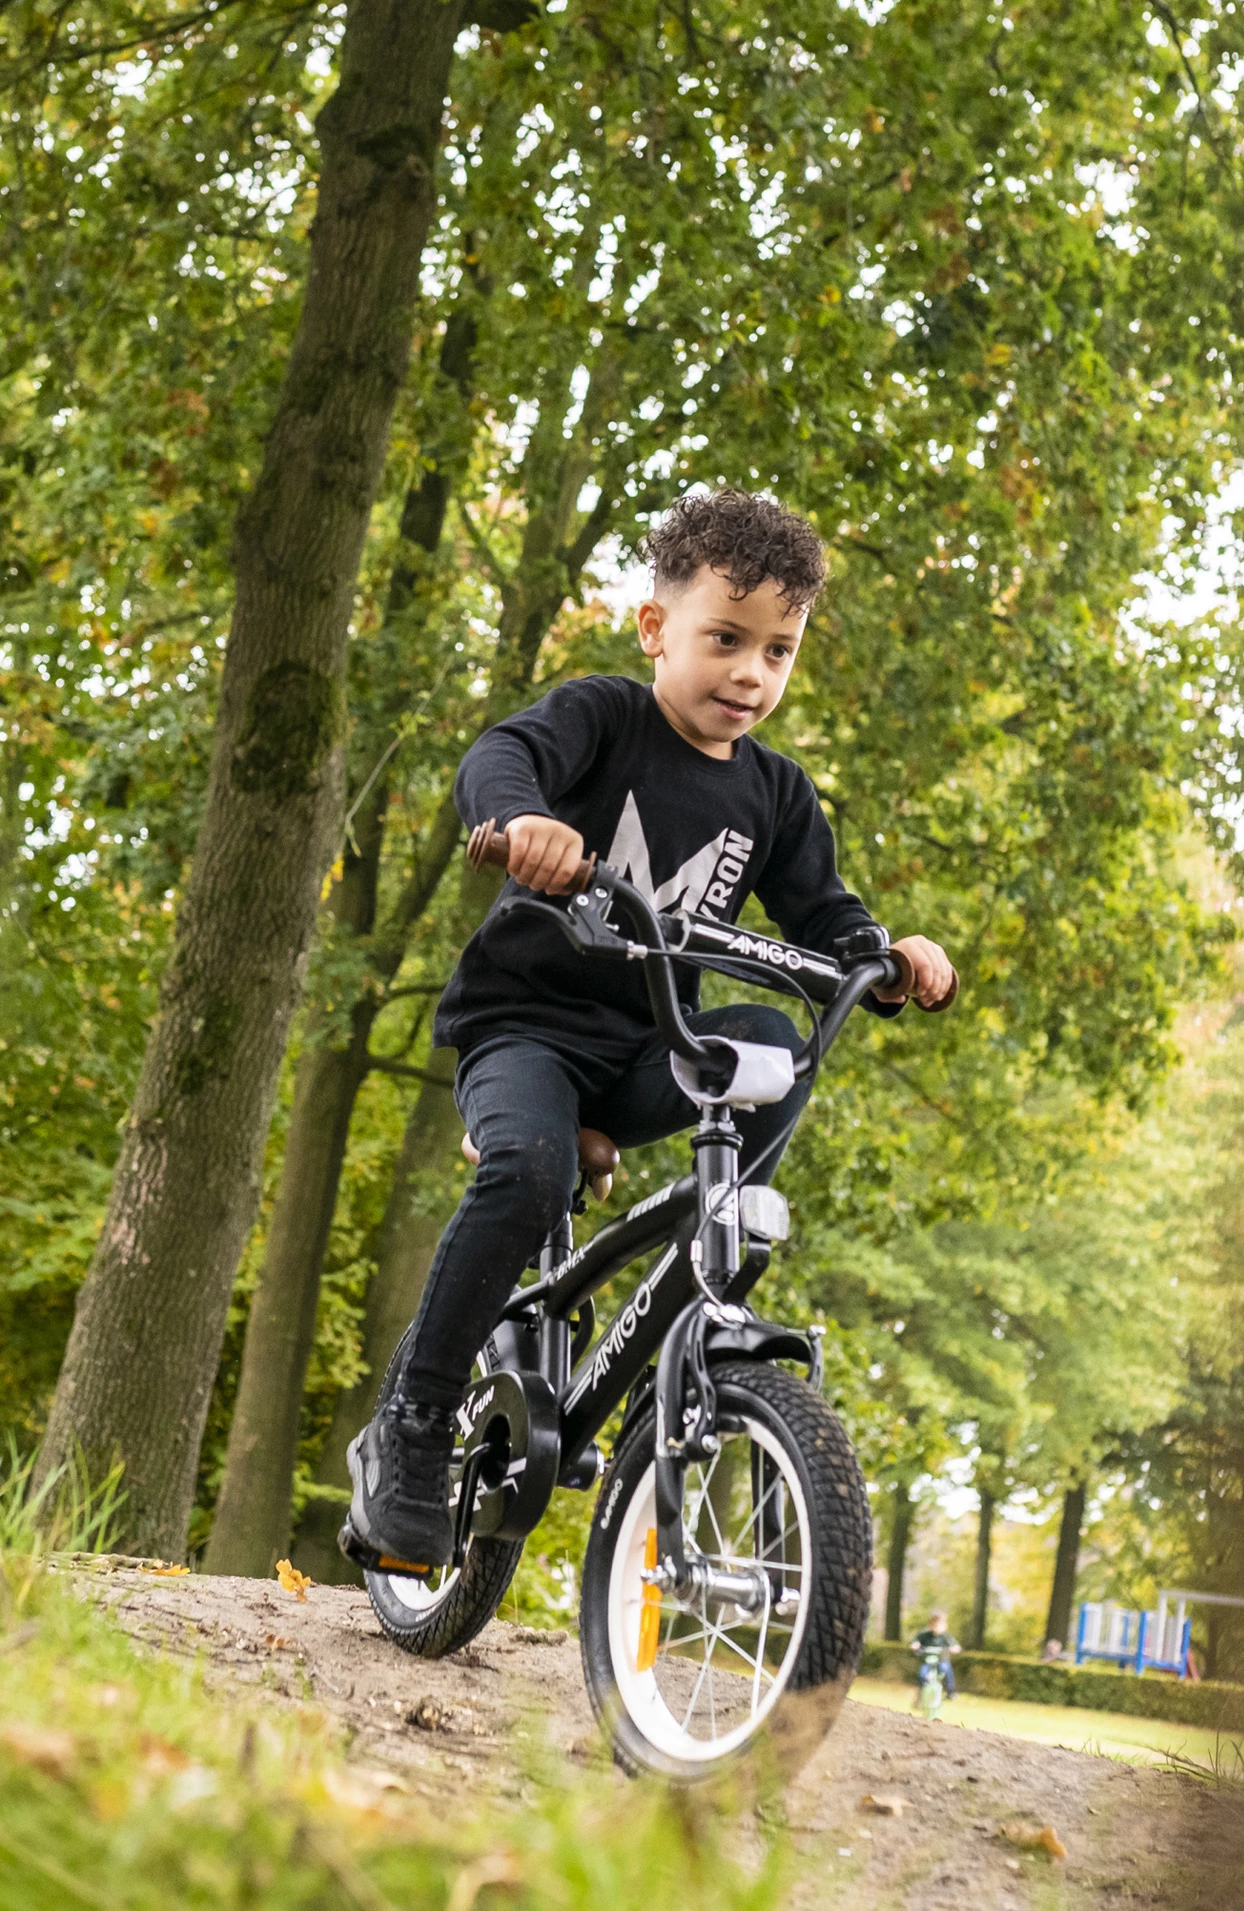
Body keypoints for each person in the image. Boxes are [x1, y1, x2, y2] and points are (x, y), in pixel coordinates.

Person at [341, 490, 958, 1573]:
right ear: (654, 629)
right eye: (725, 639)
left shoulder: (775, 792)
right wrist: (522, 819)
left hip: (646, 1048)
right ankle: (415, 1422)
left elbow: (823, 911)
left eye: (778, 651)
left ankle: (706, 1274)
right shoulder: (602, 717)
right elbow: (500, 756)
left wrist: (886, 955)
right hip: (527, 1027)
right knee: (526, 1175)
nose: (749, 675)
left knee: (772, 1035)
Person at [912, 1610, 959, 1713]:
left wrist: (954, 1648)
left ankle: (950, 1691)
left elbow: (955, 1646)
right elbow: (916, 1641)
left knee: (946, 1670)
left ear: (944, 1625)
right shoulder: (925, 1635)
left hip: (941, 1660)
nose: (936, 1627)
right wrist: (916, 1645)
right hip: (928, 1660)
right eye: (934, 1625)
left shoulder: (946, 1636)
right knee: (922, 1675)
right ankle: (919, 1698)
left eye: (939, 1625)